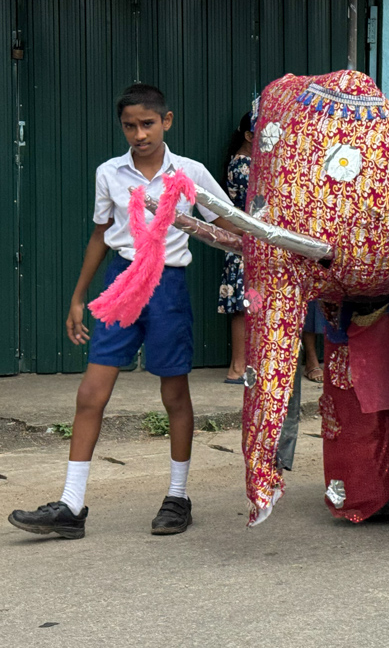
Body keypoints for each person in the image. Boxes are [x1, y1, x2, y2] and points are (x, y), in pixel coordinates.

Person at [7, 84, 237, 540]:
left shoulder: (189, 172)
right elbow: (100, 234)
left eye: (147, 124)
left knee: (174, 394)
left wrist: (261, 245)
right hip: (121, 282)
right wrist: (78, 297)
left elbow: (228, 221)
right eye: (130, 126)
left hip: (167, 286)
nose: (139, 134)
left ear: (166, 121)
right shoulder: (109, 173)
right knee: (90, 393)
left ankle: (178, 497)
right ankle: (71, 505)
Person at [218, 112, 252, 385]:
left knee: (246, 303)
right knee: (243, 305)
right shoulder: (243, 165)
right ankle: (238, 367)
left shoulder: (242, 161)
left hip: (245, 240)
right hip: (244, 241)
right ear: (249, 136)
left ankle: (240, 366)